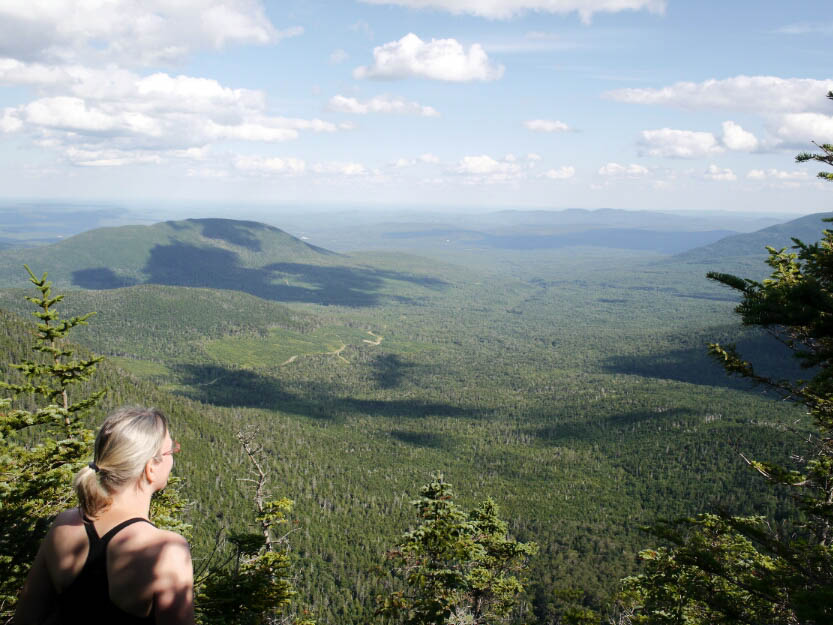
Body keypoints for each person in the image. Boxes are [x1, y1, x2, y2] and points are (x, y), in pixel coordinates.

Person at [15, 407, 194, 625]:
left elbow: (26, 617)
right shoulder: (166, 550)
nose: (173, 456)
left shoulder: (64, 525)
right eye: (170, 451)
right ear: (150, 469)